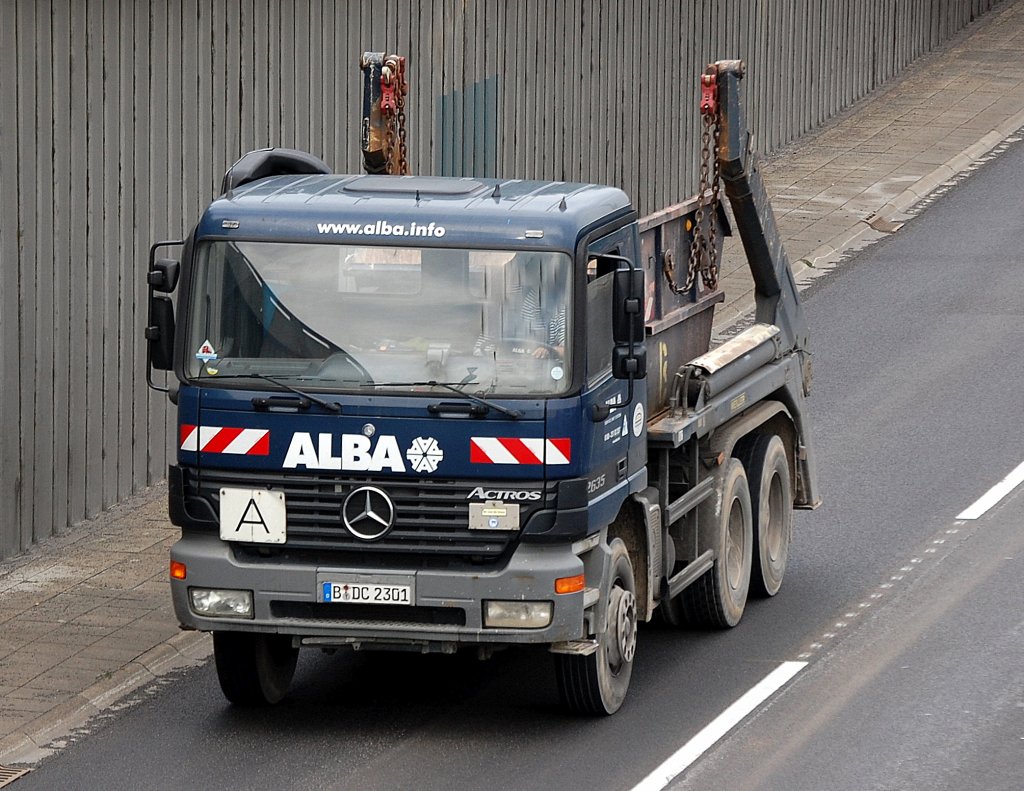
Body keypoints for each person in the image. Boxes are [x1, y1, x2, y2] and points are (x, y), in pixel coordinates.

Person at [475, 254, 566, 358]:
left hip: (540, 369)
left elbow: (569, 350)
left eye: (517, 275)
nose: (512, 281)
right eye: (509, 276)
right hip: (501, 368)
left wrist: (550, 351)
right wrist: (495, 352)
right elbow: (479, 348)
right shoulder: (501, 309)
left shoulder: (556, 307)